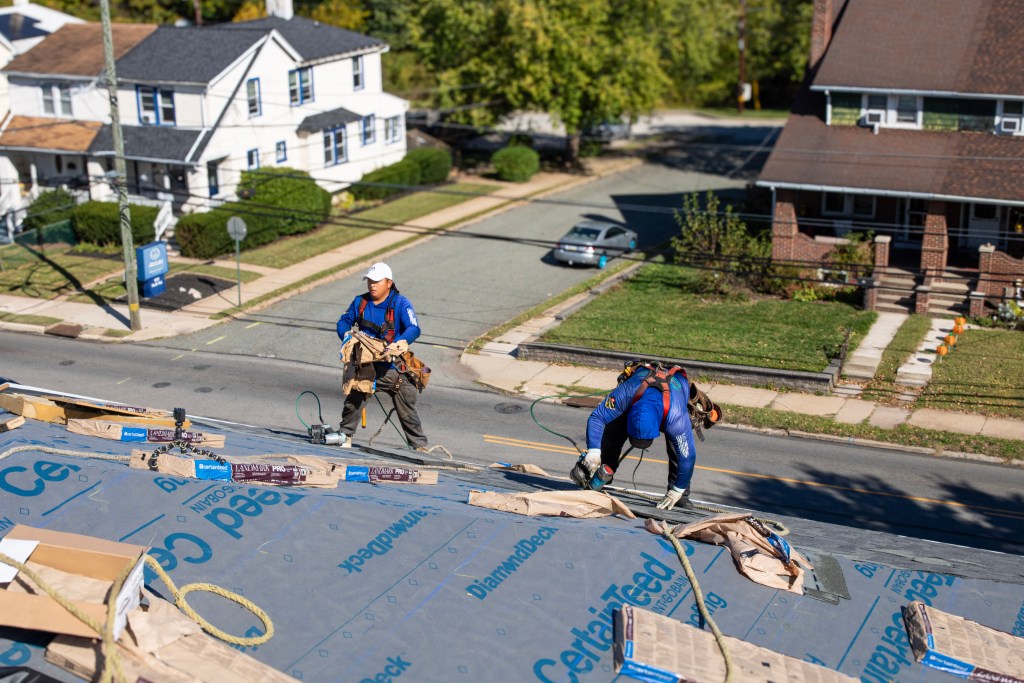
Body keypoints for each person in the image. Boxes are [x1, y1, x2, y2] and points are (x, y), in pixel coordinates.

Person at [575, 364, 699, 510]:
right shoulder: (625, 394)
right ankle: (601, 479)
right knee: (612, 433)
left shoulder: (676, 418)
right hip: (635, 397)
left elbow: (688, 456)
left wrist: (678, 489)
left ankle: (681, 496)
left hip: (672, 399)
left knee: (677, 450)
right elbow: (597, 417)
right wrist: (594, 451)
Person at [336, 262, 428, 450]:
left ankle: (419, 448)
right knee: (355, 397)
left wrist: (401, 342)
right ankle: (345, 436)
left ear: (389, 283)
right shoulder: (360, 302)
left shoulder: (401, 304)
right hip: (366, 365)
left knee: (407, 403)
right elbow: (344, 321)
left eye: (376, 281)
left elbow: (414, 327)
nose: (372, 285)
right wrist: (346, 336)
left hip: (393, 368)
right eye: (369, 281)